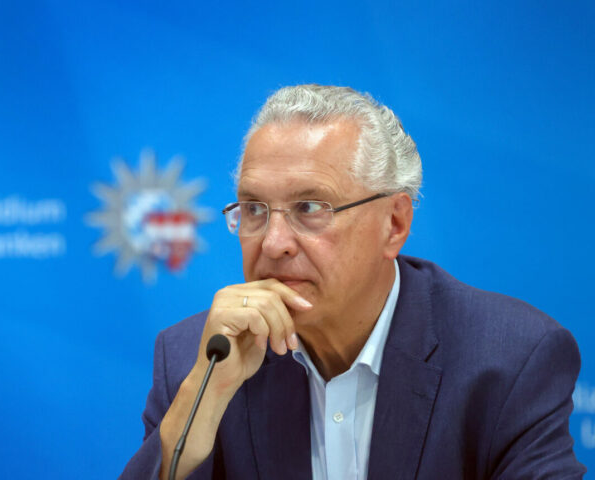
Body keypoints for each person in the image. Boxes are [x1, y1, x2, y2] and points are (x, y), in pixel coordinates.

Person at [119, 85, 585, 479]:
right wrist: (205, 394)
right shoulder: (198, 357)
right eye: (255, 209)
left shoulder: (509, 359)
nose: (274, 242)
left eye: (310, 208)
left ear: (394, 224)